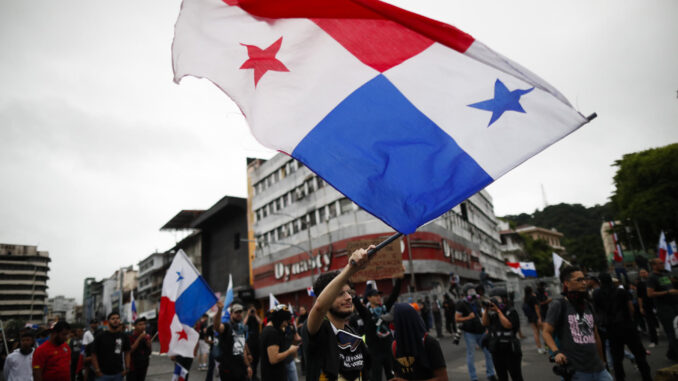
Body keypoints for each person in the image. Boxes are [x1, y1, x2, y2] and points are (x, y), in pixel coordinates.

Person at [301, 246, 373, 381]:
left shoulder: (354, 336)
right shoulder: (318, 331)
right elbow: (319, 307)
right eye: (340, 294)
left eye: (349, 292)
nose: (349, 297)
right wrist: (351, 268)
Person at [542, 266, 612, 381]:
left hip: (599, 369)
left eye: (584, 279)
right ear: (567, 283)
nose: (584, 283)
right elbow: (546, 332)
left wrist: (602, 361)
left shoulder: (588, 304)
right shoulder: (559, 305)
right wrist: (556, 353)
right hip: (576, 371)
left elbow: (595, 336)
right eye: (579, 280)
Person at [594, 273, 652, 381]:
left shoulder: (597, 294)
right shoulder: (621, 291)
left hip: (611, 328)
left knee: (616, 358)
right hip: (627, 325)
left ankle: (620, 378)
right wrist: (631, 320)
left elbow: (598, 312)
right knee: (639, 354)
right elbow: (631, 308)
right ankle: (647, 377)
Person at [389, 303, 447, 381]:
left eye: (394, 322)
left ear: (406, 323)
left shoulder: (429, 343)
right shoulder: (395, 346)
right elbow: (397, 376)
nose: (391, 326)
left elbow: (443, 378)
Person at [363, 275, 403, 381]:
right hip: (374, 352)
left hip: (388, 348)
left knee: (392, 376)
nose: (378, 297)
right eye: (375, 295)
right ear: (368, 298)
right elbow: (357, 304)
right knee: (376, 377)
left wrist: (399, 279)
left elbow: (394, 295)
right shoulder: (366, 313)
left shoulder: (385, 309)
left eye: (379, 295)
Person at [456, 284, 496, 381]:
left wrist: (486, 326)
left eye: (473, 291)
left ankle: (491, 374)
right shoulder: (461, 304)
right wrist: (468, 317)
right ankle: (473, 378)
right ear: (465, 293)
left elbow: (483, 315)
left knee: (489, 352)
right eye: (470, 292)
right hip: (470, 333)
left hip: (481, 331)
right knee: (471, 355)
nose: (472, 293)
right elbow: (457, 319)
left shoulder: (477, 302)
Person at [482, 288, 523, 381]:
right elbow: (485, 323)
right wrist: (486, 310)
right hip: (497, 349)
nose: (494, 301)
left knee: (516, 376)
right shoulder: (492, 313)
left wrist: (498, 311)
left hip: (510, 350)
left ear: (504, 299)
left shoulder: (510, 311)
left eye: (497, 298)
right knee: (501, 376)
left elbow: (508, 325)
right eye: (492, 298)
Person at [647, 257, 678, 362]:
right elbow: (650, 294)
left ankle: (671, 353)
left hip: (674, 305)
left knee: (675, 330)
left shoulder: (665, 274)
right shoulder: (652, 277)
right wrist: (668, 292)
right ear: (654, 266)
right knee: (671, 331)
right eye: (660, 263)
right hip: (664, 308)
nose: (662, 264)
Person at [214, 301, 252, 381]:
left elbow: (242, 348)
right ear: (231, 314)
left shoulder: (242, 328)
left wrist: (248, 366)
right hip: (228, 370)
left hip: (241, 368)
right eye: (236, 312)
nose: (239, 314)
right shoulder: (226, 326)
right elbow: (217, 327)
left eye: (240, 312)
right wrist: (219, 310)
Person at [91, 311, 131, 381]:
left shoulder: (123, 336)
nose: (115, 320)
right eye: (113, 318)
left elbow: (127, 352)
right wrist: (97, 370)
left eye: (117, 318)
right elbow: (94, 354)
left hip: (118, 374)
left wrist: (127, 368)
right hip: (102, 374)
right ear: (108, 321)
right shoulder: (100, 336)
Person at [260, 306, 297, 381]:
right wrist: (290, 351)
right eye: (286, 321)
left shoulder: (268, 329)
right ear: (280, 319)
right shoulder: (272, 333)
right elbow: (274, 359)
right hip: (274, 376)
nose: (286, 324)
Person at [636, 268, 659, 347]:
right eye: (641, 273)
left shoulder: (652, 280)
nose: (643, 274)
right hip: (647, 305)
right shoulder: (640, 284)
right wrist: (641, 307)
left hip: (657, 303)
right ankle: (654, 340)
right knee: (650, 323)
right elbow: (639, 297)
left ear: (648, 273)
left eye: (644, 272)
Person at [522, 286, 545, 354]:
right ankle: (547, 346)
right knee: (544, 331)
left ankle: (539, 348)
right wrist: (539, 317)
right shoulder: (533, 297)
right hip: (536, 316)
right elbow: (536, 307)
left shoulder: (525, 298)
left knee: (535, 332)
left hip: (530, 317)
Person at [244, 304, 262, 381]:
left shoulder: (255, 316)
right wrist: (248, 314)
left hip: (257, 339)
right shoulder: (247, 317)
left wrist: (255, 314)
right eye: (251, 310)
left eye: (253, 309)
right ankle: (251, 375)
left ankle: (254, 374)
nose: (252, 311)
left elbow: (260, 322)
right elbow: (243, 323)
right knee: (251, 358)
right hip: (250, 340)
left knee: (257, 358)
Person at [296, 306, 308, 372]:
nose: (301, 311)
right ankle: (304, 370)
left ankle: (308, 368)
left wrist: (303, 324)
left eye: (302, 310)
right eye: (300, 310)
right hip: (300, 338)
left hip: (307, 338)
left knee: (307, 354)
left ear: (305, 310)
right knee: (302, 355)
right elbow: (296, 327)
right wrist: (299, 326)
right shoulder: (298, 318)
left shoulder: (308, 317)